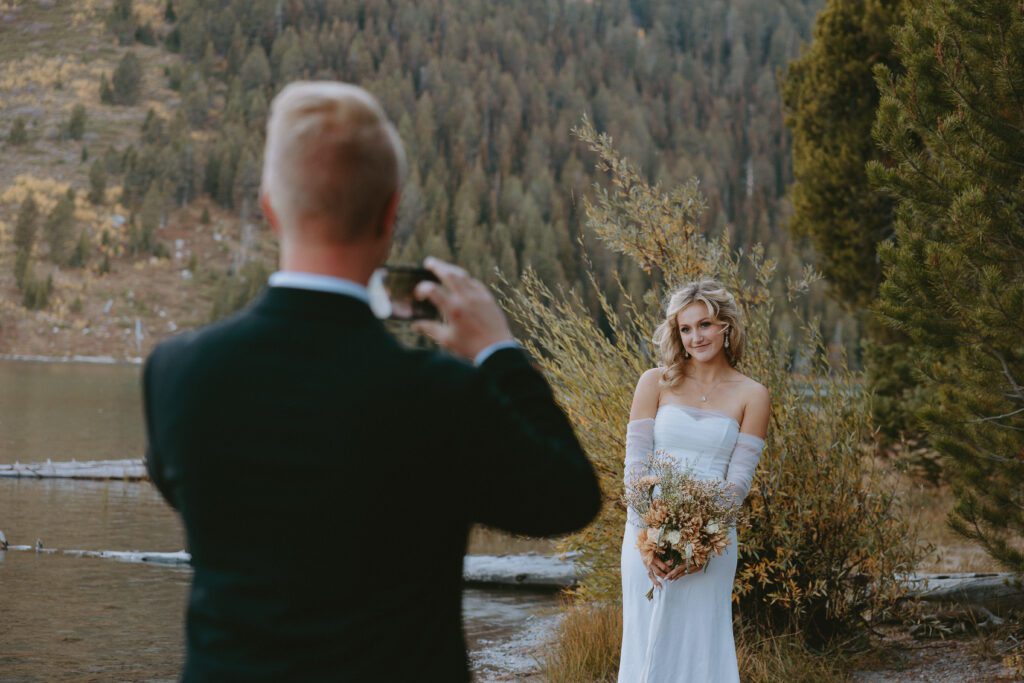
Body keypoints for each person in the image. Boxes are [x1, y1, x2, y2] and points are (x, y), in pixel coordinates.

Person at [141, 81, 601, 682]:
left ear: (269, 207)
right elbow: (569, 496)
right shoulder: (440, 395)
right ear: (390, 212)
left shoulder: (176, 372)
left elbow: (186, 489)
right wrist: (499, 350)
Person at [617, 280, 770, 682]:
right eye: (685, 329)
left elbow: (738, 481)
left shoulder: (753, 395)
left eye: (704, 325)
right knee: (644, 639)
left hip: (712, 541)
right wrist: (648, 537)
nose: (695, 337)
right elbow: (634, 466)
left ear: (726, 327)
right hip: (644, 533)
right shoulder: (654, 381)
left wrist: (697, 544)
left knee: (700, 644)